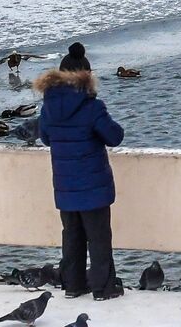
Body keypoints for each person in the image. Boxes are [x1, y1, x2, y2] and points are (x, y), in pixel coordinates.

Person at [36, 42, 126, 300]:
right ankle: (103, 288)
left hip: (65, 187)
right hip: (93, 186)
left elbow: (45, 138)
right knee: (98, 238)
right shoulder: (91, 107)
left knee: (71, 236)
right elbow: (115, 136)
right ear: (86, 76)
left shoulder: (49, 107)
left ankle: (73, 286)